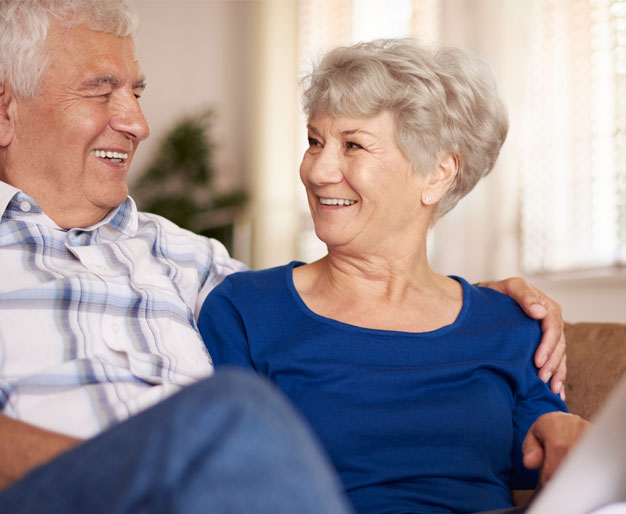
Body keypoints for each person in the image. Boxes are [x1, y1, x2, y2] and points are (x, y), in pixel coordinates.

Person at [0, 1, 564, 512]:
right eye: (101, 91)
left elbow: (346, 319)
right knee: (238, 412)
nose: (138, 122)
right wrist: (172, 470)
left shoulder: (186, 258)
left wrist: (484, 308)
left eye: (136, 91)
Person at [197, 39, 589, 514]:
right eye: (315, 141)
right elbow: (222, 479)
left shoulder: (511, 323)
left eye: (353, 145)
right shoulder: (245, 308)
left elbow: (548, 456)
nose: (318, 171)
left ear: (437, 174)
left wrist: (567, 434)